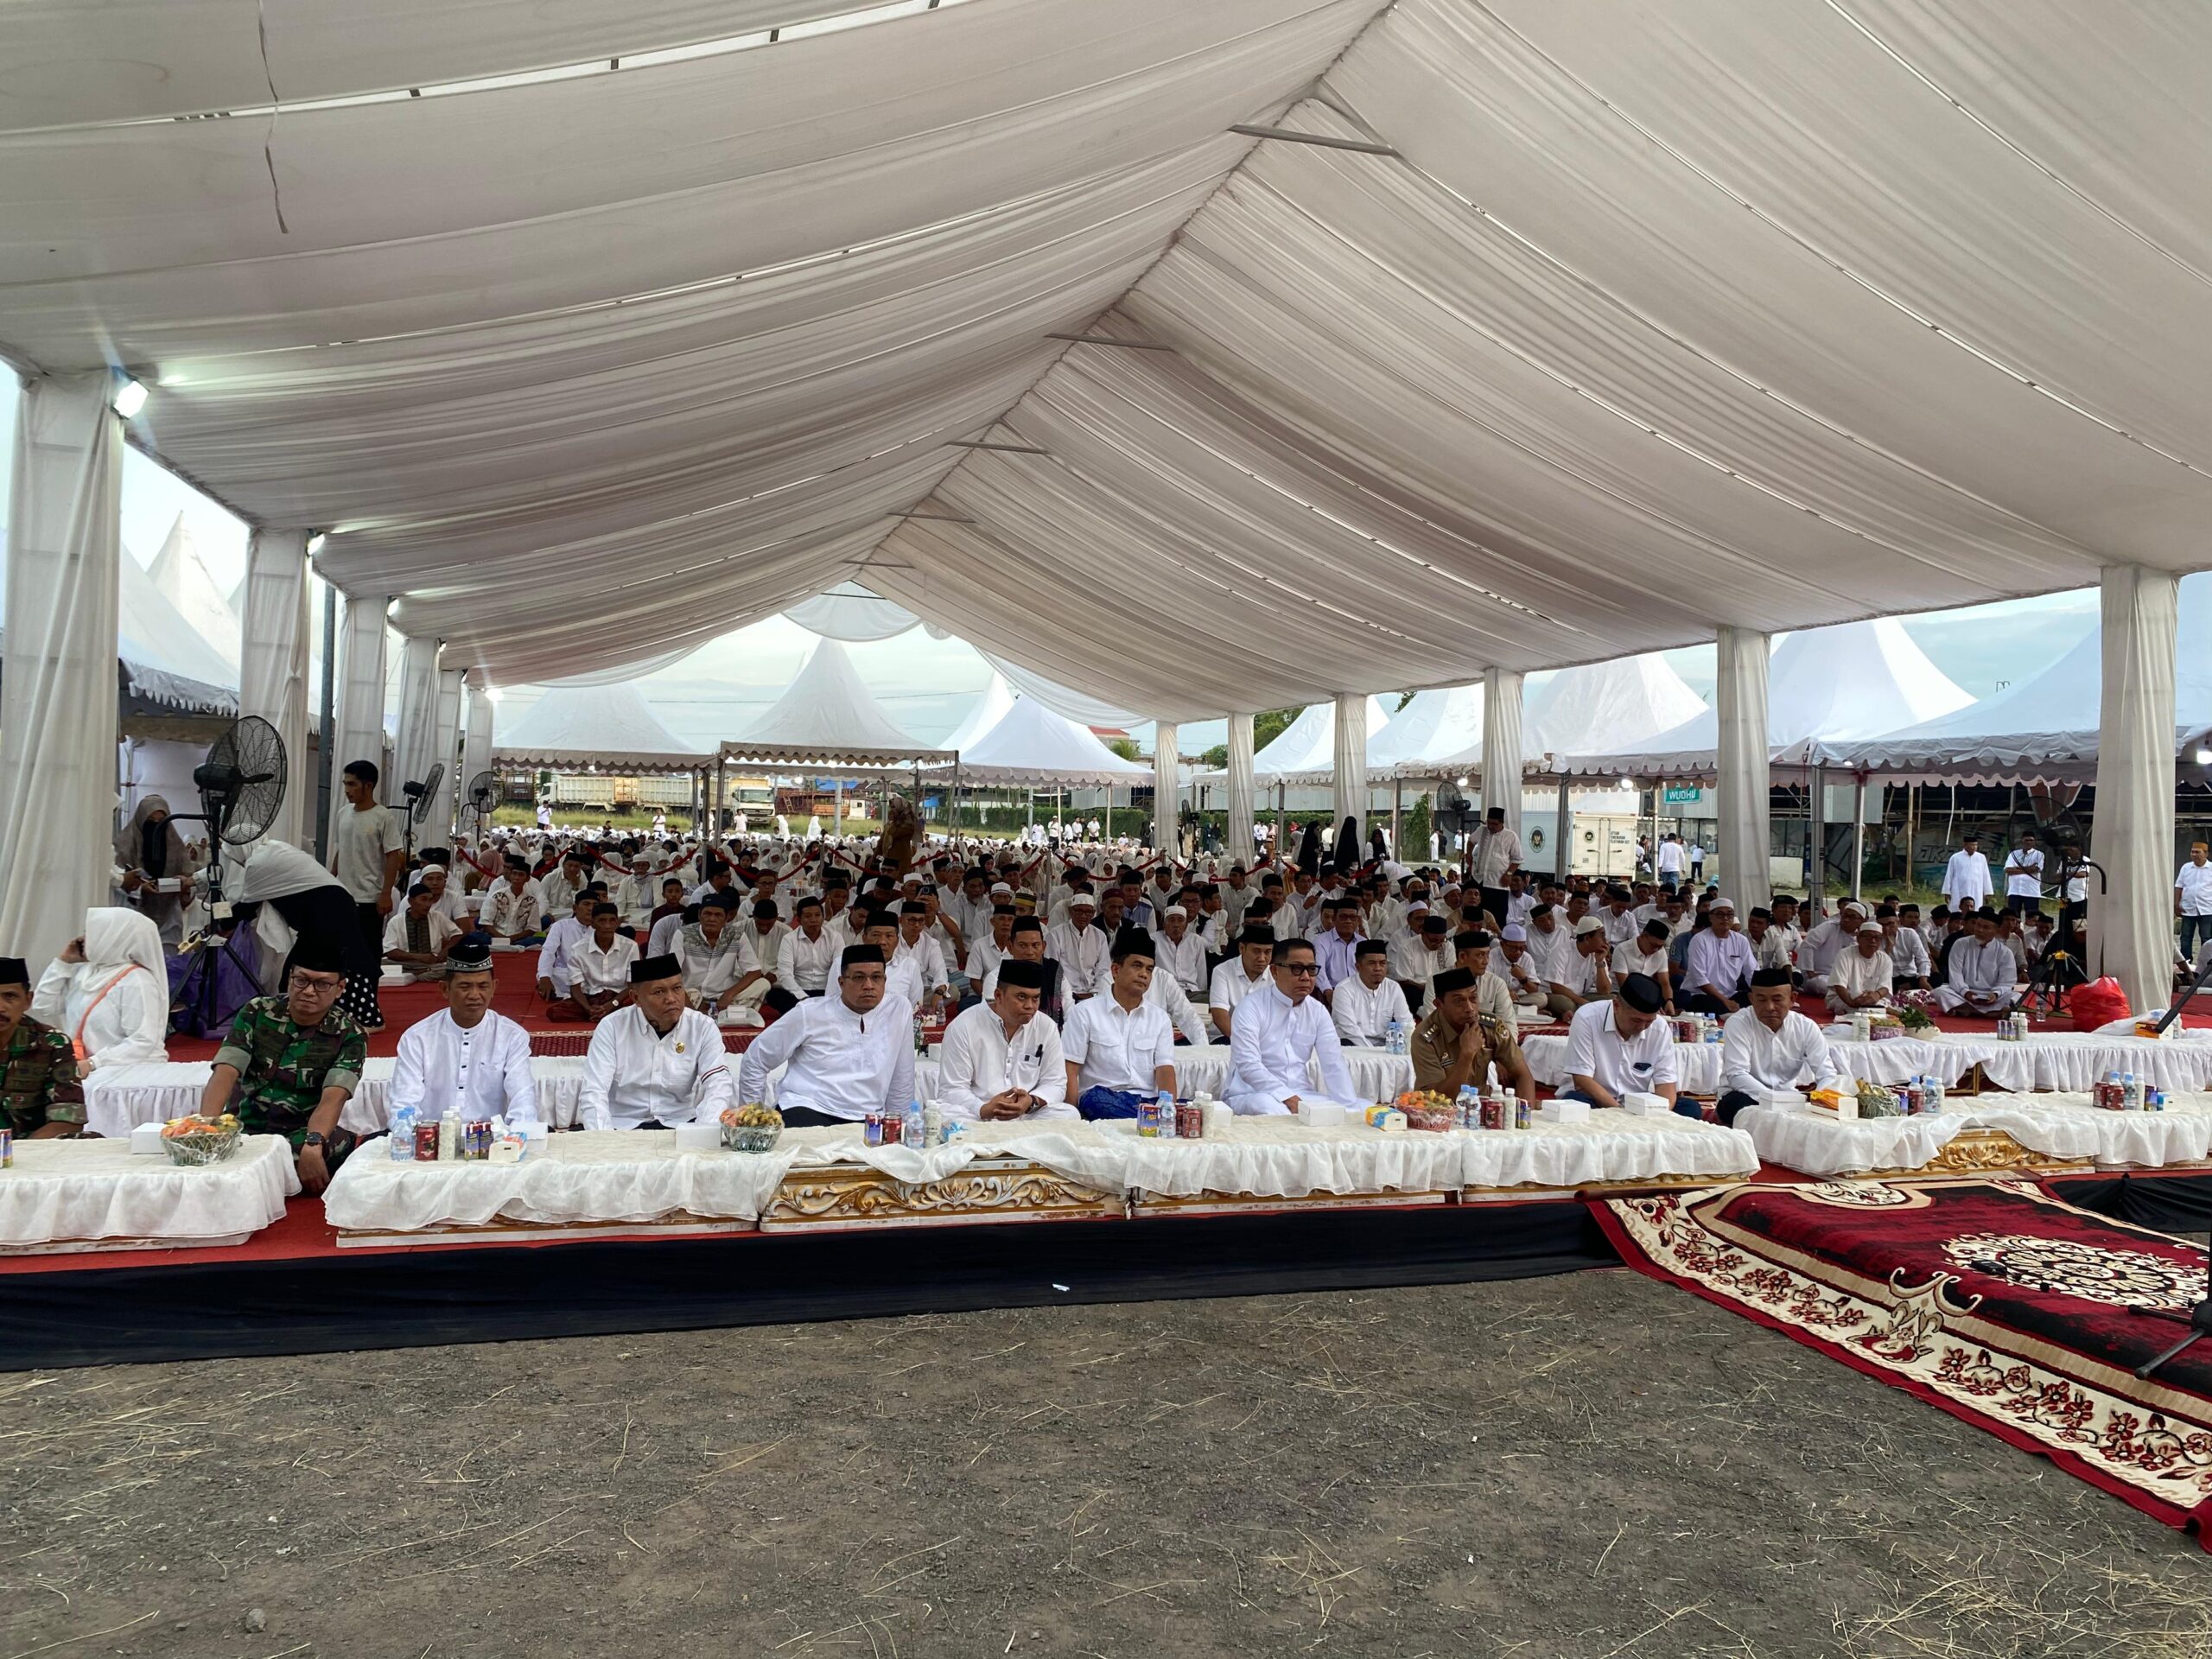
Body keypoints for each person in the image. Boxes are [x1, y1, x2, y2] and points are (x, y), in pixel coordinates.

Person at [199, 938, 366, 1193]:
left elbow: (334, 1097)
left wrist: (313, 1144)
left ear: (340, 988)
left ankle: (255, 1172)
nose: (309, 991)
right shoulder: (257, 1012)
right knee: (206, 1144)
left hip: (300, 1134)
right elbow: (226, 1072)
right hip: (245, 1130)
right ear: (290, 978)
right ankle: (269, 1171)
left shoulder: (350, 1034)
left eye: (322, 984)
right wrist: (207, 1129)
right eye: (301, 980)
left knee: (333, 1145)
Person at [736, 944, 914, 1128]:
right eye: (859, 977)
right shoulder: (810, 1012)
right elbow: (756, 1059)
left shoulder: (898, 1009)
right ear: (841, 983)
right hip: (808, 1107)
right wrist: (752, 1122)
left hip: (868, 1115)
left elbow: (902, 1076)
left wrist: (900, 1124)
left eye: (876, 977)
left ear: (885, 980)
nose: (868, 986)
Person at [387, 935, 538, 1125]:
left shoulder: (511, 1036)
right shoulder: (417, 1037)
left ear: (494, 988)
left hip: (491, 1139)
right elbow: (404, 1102)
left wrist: (519, 1134)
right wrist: (410, 1136)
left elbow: (522, 1098)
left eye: (483, 986)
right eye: (465, 987)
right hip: (431, 1137)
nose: (475, 995)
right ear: (445, 989)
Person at [579, 954, 735, 1129]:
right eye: (659, 992)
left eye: (677, 988)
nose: (671, 998)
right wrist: (604, 1139)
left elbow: (718, 1084)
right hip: (623, 1125)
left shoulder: (702, 1027)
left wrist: (703, 1133)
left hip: (680, 1123)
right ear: (636, 998)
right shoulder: (612, 1027)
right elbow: (594, 1090)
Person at [1224, 936, 1356, 1116]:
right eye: (1296, 969)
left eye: (1311, 969)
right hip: (1252, 1094)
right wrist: (1288, 1098)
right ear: (1275, 971)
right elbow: (1249, 1065)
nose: (1306, 977)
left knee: (1361, 1107)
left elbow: (1333, 1063)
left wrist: (1348, 1108)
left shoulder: (1318, 1010)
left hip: (1302, 1094)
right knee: (1270, 1108)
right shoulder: (1251, 1006)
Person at [32, 908, 170, 1069]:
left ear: (112, 938)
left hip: (127, 1069)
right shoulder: (85, 972)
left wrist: (94, 1063)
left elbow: (143, 1041)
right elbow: (43, 1006)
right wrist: (63, 963)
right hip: (86, 1068)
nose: (82, 939)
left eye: (91, 933)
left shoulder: (137, 981)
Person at [935, 960, 1071, 1121]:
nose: (1030, 1006)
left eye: (1035, 998)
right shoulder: (963, 1026)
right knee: (945, 1114)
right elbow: (952, 1089)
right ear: (998, 996)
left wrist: (1031, 1101)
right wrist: (983, 1109)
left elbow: (1056, 1083)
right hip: (978, 1113)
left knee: (1069, 1114)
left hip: (1027, 1114)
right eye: (1022, 997)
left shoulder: (1046, 1026)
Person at [1062, 931, 1177, 1108]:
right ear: (1116, 970)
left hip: (1146, 1101)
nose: (1144, 974)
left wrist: (1169, 1111)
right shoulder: (1085, 1012)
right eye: (1137, 966)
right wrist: (1072, 1114)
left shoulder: (1160, 1018)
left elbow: (1165, 1070)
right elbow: (1070, 1069)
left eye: (1149, 969)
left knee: (1195, 1111)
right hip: (1102, 1099)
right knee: (1097, 1101)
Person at [1715, 969, 1845, 1126]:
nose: (1770, 1007)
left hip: (1789, 1098)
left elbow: (1827, 1074)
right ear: (1751, 999)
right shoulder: (1738, 1023)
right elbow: (1737, 1074)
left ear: (1792, 999)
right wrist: (1776, 1101)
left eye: (1777, 1000)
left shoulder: (1806, 1027)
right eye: (1761, 1000)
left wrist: (1820, 1099)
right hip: (1747, 1095)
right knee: (1742, 1109)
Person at [330, 760, 404, 1031]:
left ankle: (368, 1012)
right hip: (343, 897)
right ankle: (344, 1008)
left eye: (352, 784)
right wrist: (331, 879)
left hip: (370, 899)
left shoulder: (383, 817)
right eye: (345, 784)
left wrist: (385, 893)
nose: (347, 790)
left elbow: (393, 856)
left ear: (368, 785)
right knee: (343, 956)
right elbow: (342, 849)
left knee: (368, 957)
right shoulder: (343, 814)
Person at [1561, 973, 1682, 1116]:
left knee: (1689, 1108)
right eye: (1636, 1020)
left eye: (1649, 1022)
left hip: (1637, 1103)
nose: (1642, 1027)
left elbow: (1666, 1084)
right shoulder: (1587, 1018)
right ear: (1617, 1006)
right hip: (1595, 1098)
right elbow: (1582, 1079)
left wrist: (1660, 1114)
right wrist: (1620, 1113)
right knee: (1577, 1103)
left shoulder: (1660, 1028)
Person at [1409, 966, 1536, 1101]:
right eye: (1459, 1001)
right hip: (1439, 1109)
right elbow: (1440, 1098)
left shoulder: (1490, 1026)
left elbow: (1523, 1076)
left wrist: (1526, 1112)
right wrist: (1466, 1055)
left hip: (1481, 1105)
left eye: (1473, 998)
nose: (1470, 1008)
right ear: (1439, 1004)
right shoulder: (1425, 1037)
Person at [0, 957, 86, 1139]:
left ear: (28, 1000)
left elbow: (68, 1119)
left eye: (10, 997)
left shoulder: (51, 1043)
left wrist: (19, 1152)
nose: (0, 1007)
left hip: (30, 1147)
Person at [114, 795, 195, 946]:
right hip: (132, 916)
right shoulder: (123, 846)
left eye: (161, 822)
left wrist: (184, 888)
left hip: (170, 920)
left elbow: (190, 885)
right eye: (151, 821)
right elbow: (115, 882)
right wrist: (139, 888)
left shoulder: (176, 847)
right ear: (140, 821)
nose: (157, 827)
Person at [563, 903, 639, 1021]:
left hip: (619, 998)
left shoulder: (630, 947)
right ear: (593, 924)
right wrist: (588, 1008)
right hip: (591, 997)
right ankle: (602, 1014)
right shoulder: (578, 949)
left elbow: (633, 985)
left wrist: (611, 1005)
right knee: (556, 1012)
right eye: (602, 921)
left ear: (618, 923)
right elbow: (575, 988)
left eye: (612, 921)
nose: (607, 926)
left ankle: (606, 1013)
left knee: (639, 1004)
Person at [1680, 898, 1757, 1014]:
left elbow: (1752, 971)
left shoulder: (1741, 941)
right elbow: (1699, 978)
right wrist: (1725, 1001)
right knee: (1716, 1006)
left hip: (1730, 995)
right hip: (1701, 994)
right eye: (1720, 914)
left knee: (1754, 1002)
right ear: (1711, 917)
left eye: (1729, 914)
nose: (1725, 918)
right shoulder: (1700, 940)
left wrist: (1760, 994)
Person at [1934, 911, 2018, 1016]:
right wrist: (1965, 992)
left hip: (1991, 995)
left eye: (1986, 927)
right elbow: (1955, 974)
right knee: (1939, 992)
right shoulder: (1961, 944)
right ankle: (1988, 1013)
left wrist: (1996, 994)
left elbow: (2007, 982)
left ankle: (1968, 1011)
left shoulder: (2005, 952)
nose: (1979, 930)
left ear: (1996, 930)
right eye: (1978, 925)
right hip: (1964, 994)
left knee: (2017, 997)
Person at [1331, 939, 1414, 1046]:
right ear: (1358, 967)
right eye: (1372, 963)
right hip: (1351, 1045)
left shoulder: (1393, 987)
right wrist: (1372, 1052)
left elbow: (1406, 1022)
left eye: (1382, 963)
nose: (1378, 968)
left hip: (1383, 1047)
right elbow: (1350, 1030)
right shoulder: (1344, 989)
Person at [1207, 925, 1275, 1041]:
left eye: (1267, 952)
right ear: (1242, 949)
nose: (1262, 958)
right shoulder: (1222, 971)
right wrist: (1247, 1044)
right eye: (1256, 951)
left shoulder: (1276, 975)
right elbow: (1220, 1016)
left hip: (1264, 1041)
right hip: (1228, 1037)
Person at [384, 882, 462, 982]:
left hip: (431, 964)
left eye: (430, 900)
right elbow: (390, 952)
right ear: (411, 901)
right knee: (381, 965)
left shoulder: (437, 917)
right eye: (423, 899)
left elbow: (457, 934)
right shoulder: (396, 921)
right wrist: (419, 957)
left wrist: (447, 949)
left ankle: (411, 976)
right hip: (404, 964)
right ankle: (420, 974)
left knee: (454, 968)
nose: (428, 904)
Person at [1046, 893, 1108, 999]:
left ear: (1093, 913)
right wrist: (1069, 994)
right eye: (1079, 911)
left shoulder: (1099, 936)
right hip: (1065, 995)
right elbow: (1052, 970)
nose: (1083, 916)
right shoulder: (1055, 935)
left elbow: (1104, 971)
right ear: (1071, 911)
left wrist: (1095, 993)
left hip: (1094, 995)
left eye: (1088, 912)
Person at [776, 895, 841, 998]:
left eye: (817, 915)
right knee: (775, 994)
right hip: (799, 991)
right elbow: (785, 974)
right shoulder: (789, 939)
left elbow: (839, 968)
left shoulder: (835, 937)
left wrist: (831, 994)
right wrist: (803, 997)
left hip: (827, 990)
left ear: (823, 917)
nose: (814, 920)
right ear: (799, 920)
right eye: (808, 916)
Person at [1827, 921, 1895, 1014]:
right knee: (1876, 1010)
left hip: (1873, 1000)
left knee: (1880, 1005)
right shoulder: (1845, 954)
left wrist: (1877, 995)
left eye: (1877, 938)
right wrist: (1851, 1003)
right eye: (1868, 936)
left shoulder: (1885, 959)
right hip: (1845, 998)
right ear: (1858, 938)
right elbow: (1839, 984)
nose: (1873, 941)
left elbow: (1885, 986)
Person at [1611, 918, 1676, 1014]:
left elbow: (1665, 983)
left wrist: (1669, 1001)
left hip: (1647, 995)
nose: (1656, 950)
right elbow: (1625, 985)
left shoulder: (1660, 952)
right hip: (1622, 994)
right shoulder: (1622, 950)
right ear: (1643, 936)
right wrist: (1648, 1005)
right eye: (1653, 945)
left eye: (1660, 947)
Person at [1470, 806, 1521, 925]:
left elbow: (1517, 859)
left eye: (1494, 824)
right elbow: (1471, 841)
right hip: (1479, 881)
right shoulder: (1482, 830)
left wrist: (1509, 874)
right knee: (1477, 917)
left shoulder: (1511, 836)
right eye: (1489, 823)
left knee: (1498, 919)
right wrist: (1468, 853)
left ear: (1502, 823)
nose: (1491, 826)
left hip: (1498, 885)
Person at [482, 856, 548, 943]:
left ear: (528, 878)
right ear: (511, 875)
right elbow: (486, 921)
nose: (516, 878)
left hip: (519, 939)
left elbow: (532, 928)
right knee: (474, 937)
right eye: (514, 874)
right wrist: (501, 938)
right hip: (495, 936)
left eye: (521, 875)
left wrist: (512, 939)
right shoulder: (497, 895)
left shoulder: (532, 900)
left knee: (541, 941)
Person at [1941, 832, 1994, 912]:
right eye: (1972, 845)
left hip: (1977, 889)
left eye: (1976, 845)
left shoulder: (1981, 857)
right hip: (1959, 889)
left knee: (1975, 910)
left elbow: (1986, 875)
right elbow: (1949, 875)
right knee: (1958, 910)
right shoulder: (1955, 858)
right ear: (1965, 845)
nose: (1974, 847)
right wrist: (1947, 891)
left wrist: (1988, 892)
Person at [2178, 843, 2212, 967]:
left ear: (2206, 854)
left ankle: (2207, 963)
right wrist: (2176, 904)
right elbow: (2179, 886)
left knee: (2206, 937)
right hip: (2188, 908)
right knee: (2186, 937)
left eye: (2198, 852)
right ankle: (2186, 962)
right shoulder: (2186, 868)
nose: (2194, 855)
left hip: (2207, 908)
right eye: (2192, 852)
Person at [2002, 831, 2045, 918]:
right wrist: (2028, 869)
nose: (2028, 842)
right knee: (2013, 917)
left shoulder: (2039, 854)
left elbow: (2036, 869)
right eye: (2026, 840)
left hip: (2031, 892)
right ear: (2022, 841)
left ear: (2034, 842)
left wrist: (2017, 868)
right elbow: (2008, 870)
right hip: (2014, 891)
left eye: (2031, 840)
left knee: (2032, 918)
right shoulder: (2014, 854)